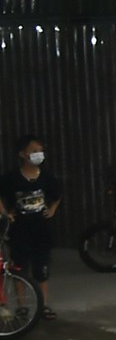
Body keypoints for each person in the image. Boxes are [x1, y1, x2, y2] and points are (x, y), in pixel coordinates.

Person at [3, 134, 61, 318]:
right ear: (22, 154)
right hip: (19, 230)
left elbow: (57, 194)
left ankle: (43, 305)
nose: (39, 154)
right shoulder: (11, 178)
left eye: (41, 151)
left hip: (41, 230)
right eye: (34, 151)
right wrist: (5, 213)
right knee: (19, 268)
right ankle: (22, 306)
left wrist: (52, 209)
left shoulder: (46, 177)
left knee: (41, 269)